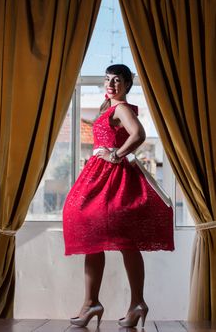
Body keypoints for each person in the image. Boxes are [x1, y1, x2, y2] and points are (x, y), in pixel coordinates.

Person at [62, 64, 174, 328]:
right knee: (96, 236)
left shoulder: (121, 108)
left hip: (115, 179)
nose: (110, 84)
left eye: (117, 80)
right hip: (101, 177)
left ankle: (119, 303)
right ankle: (107, 302)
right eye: (107, 79)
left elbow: (139, 135)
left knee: (121, 239)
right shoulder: (108, 108)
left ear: (126, 85)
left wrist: (115, 154)